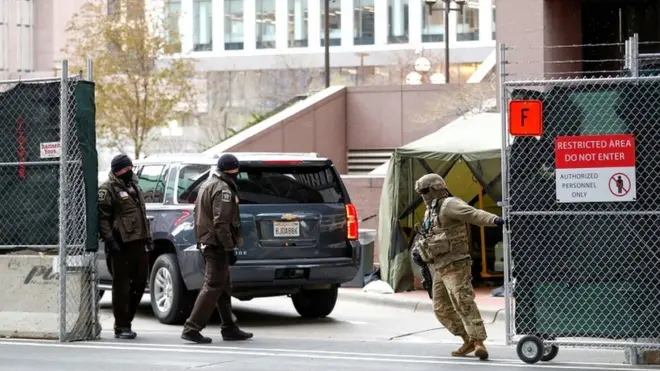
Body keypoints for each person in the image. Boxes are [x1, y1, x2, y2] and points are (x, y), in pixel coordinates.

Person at [413, 173, 504, 361]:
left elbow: (473, 214)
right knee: (441, 307)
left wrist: (495, 220)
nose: (423, 195)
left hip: (456, 263)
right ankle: (467, 338)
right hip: (439, 265)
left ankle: (478, 341)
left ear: (436, 188)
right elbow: (429, 233)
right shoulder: (431, 209)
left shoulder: (449, 204)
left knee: (462, 301)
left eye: (425, 191)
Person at [181, 154, 253, 344]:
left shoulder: (207, 184)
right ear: (233, 170)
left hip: (207, 242)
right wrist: (229, 248)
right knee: (213, 285)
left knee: (223, 286)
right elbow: (221, 222)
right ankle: (192, 327)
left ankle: (229, 327)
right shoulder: (223, 189)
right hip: (216, 244)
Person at [98, 154, 153, 340]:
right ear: (117, 170)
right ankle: (121, 326)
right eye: (125, 169)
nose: (129, 171)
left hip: (138, 241)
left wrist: (148, 238)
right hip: (120, 244)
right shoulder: (107, 189)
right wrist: (110, 241)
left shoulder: (134, 187)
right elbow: (103, 218)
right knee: (121, 286)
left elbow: (141, 215)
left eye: (130, 168)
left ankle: (126, 319)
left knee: (140, 282)